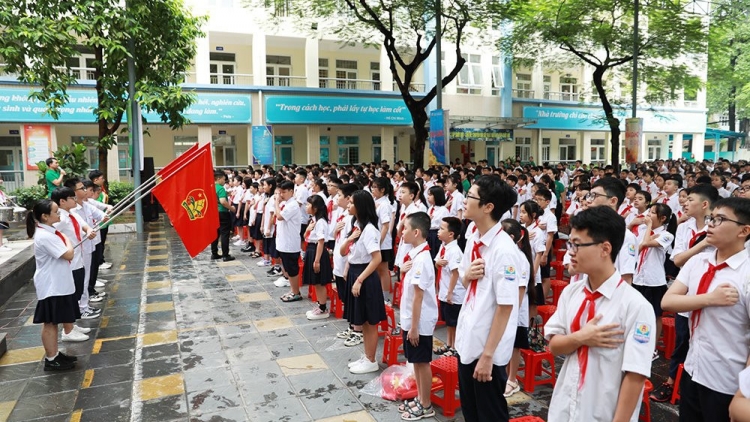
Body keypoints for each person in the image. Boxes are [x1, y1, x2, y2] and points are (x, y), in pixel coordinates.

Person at [545, 206, 656, 422]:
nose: (570, 252)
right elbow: (555, 345)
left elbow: (635, 376)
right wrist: (581, 337)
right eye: (570, 244)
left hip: (602, 413)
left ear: (605, 249)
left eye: (577, 245)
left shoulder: (636, 306)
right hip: (565, 409)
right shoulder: (571, 292)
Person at [662, 197, 750, 422]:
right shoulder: (698, 262)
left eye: (720, 220)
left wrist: (745, 394)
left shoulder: (746, 274)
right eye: (711, 218)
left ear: (744, 230)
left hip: (728, 381)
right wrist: (710, 299)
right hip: (694, 369)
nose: (710, 224)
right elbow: (668, 302)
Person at [455, 175, 520, 422]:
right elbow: (464, 279)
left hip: (485, 351)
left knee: (490, 415)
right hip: (468, 341)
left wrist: (488, 356)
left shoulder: (503, 251)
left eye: (470, 196)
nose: (465, 200)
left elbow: (505, 307)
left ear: (488, 206)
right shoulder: (474, 238)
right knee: (471, 413)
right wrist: (468, 275)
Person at [651, 183, 719, 402]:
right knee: (682, 340)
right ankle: (672, 382)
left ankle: (703, 389)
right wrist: (703, 244)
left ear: (705, 204)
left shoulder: (719, 228)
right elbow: (678, 259)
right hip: (685, 293)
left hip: (712, 295)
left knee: (708, 342)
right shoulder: (684, 227)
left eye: (690, 200)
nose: (685, 202)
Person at [26, 199, 79, 370]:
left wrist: (65, 240)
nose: (59, 214)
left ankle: (55, 354)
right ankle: (51, 359)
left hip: (58, 283)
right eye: (56, 212)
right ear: (45, 216)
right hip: (51, 286)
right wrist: (69, 242)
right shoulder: (45, 236)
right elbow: (68, 254)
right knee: (50, 322)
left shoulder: (50, 231)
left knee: (54, 321)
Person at [396, 212, 438, 420]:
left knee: (422, 363)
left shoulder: (422, 259)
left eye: (405, 228)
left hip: (419, 321)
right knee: (417, 362)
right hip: (411, 318)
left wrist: (414, 327)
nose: (402, 232)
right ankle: (421, 398)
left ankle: (426, 404)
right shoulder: (415, 255)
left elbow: (418, 297)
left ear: (416, 232)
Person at [341, 190, 386, 374]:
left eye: (351, 202)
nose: (348, 205)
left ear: (360, 206)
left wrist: (359, 280)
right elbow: (344, 251)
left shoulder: (369, 230)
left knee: (370, 321)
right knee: (363, 320)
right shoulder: (357, 226)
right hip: (356, 271)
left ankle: (371, 359)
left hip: (365, 276)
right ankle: (367, 356)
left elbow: (377, 258)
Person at [51, 187, 98, 337]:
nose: (74, 199)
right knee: (69, 297)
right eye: (71, 198)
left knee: (76, 293)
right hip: (68, 263)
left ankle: (71, 325)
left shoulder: (72, 214)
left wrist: (89, 230)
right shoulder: (60, 219)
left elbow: (84, 225)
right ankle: (68, 330)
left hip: (78, 260)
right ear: (62, 201)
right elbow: (51, 234)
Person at [634, 203, 676, 361]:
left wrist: (649, 227)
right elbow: (637, 249)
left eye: (652, 213)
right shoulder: (644, 231)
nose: (648, 215)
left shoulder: (667, 235)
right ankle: (639, 342)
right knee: (638, 312)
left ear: (663, 218)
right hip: (639, 277)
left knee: (655, 315)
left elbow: (646, 244)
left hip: (654, 280)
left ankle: (652, 348)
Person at [501, 218, 536, 398]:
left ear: (512, 237)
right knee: (507, 343)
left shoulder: (520, 258)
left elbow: (521, 290)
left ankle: (512, 379)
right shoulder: (507, 254)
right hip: (507, 309)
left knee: (514, 346)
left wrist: (512, 314)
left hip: (516, 311)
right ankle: (506, 375)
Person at [433, 216, 464, 357]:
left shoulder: (455, 251)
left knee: (454, 322)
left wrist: (450, 292)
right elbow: (437, 263)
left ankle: (455, 347)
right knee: (449, 322)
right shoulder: (444, 246)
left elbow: (455, 273)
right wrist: (438, 262)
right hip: (444, 289)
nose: (438, 231)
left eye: (441, 229)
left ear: (451, 234)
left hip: (453, 292)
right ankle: (449, 344)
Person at [303, 195, 333, 320]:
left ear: (315, 208)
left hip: (317, 251)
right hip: (311, 249)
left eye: (308, 205)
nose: (306, 207)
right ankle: (320, 305)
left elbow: (321, 242)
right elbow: (305, 236)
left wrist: (317, 261)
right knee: (315, 282)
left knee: (320, 282)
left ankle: (323, 308)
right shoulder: (313, 220)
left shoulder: (321, 222)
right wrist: (308, 229)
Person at [276, 180, 303, 301]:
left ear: (291, 191)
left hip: (290, 244)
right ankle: (293, 290)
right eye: (280, 192)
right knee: (287, 268)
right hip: (283, 242)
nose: (281, 195)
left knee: (292, 269)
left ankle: (296, 292)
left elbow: (280, 217)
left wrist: (276, 203)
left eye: (284, 192)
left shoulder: (293, 205)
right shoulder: (287, 203)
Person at [211, 171, 235, 262]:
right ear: (218, 179)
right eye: (224, 179)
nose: (224, 181)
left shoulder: (211, 187)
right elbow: (223, 202)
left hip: (213, 213)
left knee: (215, 234)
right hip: (222, 213)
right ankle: (225, 255)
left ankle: (214, 253)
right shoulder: (220, 188)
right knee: (225, 234)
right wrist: (232, 208)